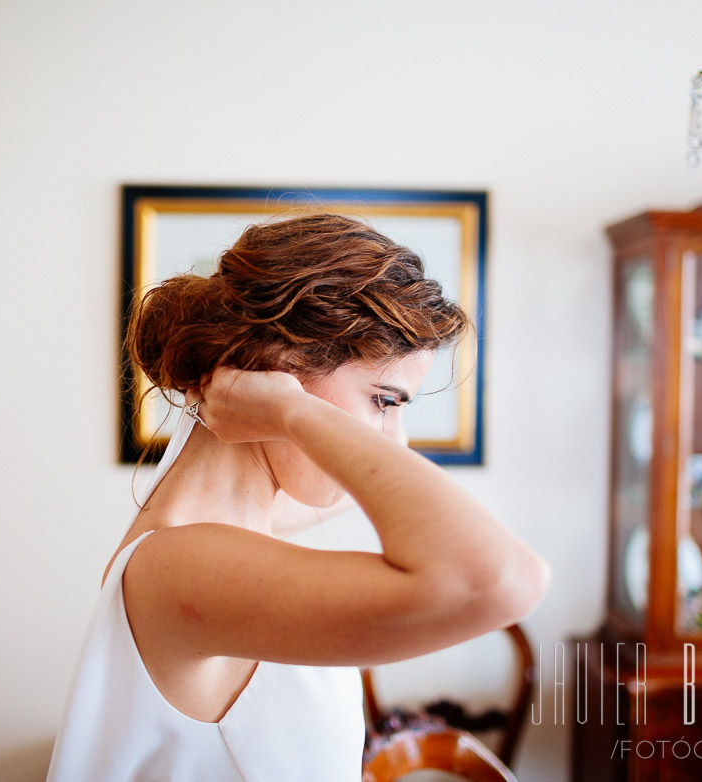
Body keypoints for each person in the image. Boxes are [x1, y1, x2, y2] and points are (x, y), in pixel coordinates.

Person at [46, 212, 550, 782]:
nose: (397, 435)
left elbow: (391, 479)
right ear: (280, 367)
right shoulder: (181, 567)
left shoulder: (240, 527)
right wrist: (291, 409)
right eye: (385, 400)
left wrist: (327, 414)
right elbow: (503, 579)